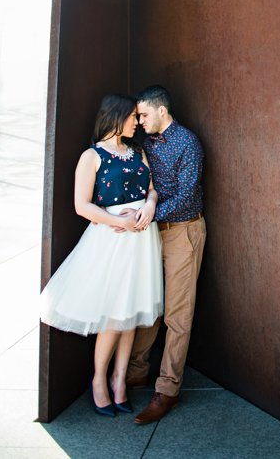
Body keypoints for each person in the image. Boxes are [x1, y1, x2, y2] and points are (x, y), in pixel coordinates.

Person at [40, 93, 164, 416]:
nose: (137, 122)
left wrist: (149, 205)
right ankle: (99, 381)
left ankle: (119, 380)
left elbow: (151, 187)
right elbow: (82, 206)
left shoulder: (137, 151)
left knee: (133, 311)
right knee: (114, 316)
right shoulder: (91, 157)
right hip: (112, 240)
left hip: (141, 238)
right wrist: (117, 220)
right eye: (132, 117)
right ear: (116, 117)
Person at [125, 85, 206, 425]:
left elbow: (187, 197)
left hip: (182, 233)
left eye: (143, 114)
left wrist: (148, 215)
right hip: (150, 234)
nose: (139, 120)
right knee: (148, 304)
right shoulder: (144, 143)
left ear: (162, 111)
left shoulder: (187, 143)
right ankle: (136, 372)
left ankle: (167, 391)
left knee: (177, 314)